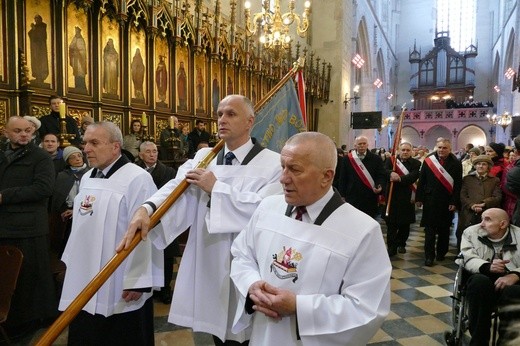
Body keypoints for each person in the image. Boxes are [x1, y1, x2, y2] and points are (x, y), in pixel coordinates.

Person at [119, 95, 283, 345]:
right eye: (219, 114)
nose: (222, 120)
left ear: (250, 121)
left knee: (249, 331)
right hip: (209, 255)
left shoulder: (272, 163)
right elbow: (176, 187)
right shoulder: (204, 157)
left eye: (231, 114)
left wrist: (216, 189)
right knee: (218, 328)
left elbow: (266, 210)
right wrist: (147, 208)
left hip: (249, 260)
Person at [229, 132, 391, 344]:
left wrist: (299, 307)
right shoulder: (267, 207)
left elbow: (367, 309)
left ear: (326, 176)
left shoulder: (363, 230)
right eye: (282, 166)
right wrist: (251, 285)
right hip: (263, 336)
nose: (283, 178)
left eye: (295, 169)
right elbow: (242, 254)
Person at [59, 122, 162, 345]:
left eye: (94, 142)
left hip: (119, 275)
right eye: (85, 142)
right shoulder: (88, 177)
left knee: (121, 333)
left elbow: (146, 232)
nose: (86, 148)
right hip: (86, 273)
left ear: (115, 147)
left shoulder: (137, 178)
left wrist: (138, 279)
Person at [0, 116, 57, 338]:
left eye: (27, 131)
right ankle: (9, 319)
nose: (23, 134)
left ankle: (27, 323)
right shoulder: (2, 154)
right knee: (6, 277)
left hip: (29, 227)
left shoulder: (40, 157)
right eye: (17, 131)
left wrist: (5, 196)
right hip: (5, 225)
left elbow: (43, 188)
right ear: (6, 133)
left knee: (28, 278)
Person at [460, 208, 520, 345]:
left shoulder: (519, 235)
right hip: (481, 279)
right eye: (482, 218)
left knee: (515, 291)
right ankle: (479, 341)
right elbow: (466, 257)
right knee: (479, 283)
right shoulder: (471, 232)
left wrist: (516, 274)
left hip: (510, 282)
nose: (481, 223)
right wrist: (487, 266)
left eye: (487, 220)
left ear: (503, 224)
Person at [136, 141, 178, 304]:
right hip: (142, 218)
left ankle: (165, 288)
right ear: (141, 155)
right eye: (148, 152)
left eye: (155, 151)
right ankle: (147, 286)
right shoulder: (135, 172)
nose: (152, 154)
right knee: (145, 255)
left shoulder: (168, 171)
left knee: (165, 256)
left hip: (162, 220)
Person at [416, 138, 462, 266]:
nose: (441, 150)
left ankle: (441, 253)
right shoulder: (429, 161)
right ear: (436, 147)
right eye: (439, 147)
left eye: (444, 148)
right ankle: (429, 256)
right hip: (430, 200)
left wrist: (454, 201)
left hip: (447, 201)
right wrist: (419, 198)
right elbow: (422, 180)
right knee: (429, 230)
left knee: (444, 229)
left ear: (450, 149)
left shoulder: (456, 163)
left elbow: (458, 184)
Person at [50, 145, 89, 256]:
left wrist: (77, 210)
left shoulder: (91, 173)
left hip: (85, 211)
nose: (77, 159)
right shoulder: (63, 176)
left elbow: (91, 197)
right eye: (72, 157)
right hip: (67, 212)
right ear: (67, 161)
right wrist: (63, 210)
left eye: (79, 156)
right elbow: (58, 198)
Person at [457, 155, 502, 249]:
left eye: (484, 164)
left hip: (485, 213)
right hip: (468, 213)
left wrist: (484, 203)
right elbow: (463, 195)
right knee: (464, 235)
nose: (481, 166)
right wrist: (472, 205)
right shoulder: (467, 179)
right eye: (478, 164)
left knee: (482, 238)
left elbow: (497, 197)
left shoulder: (494, 180)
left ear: (488, 167)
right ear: (475, 166)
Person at [384, 142, 421, 256]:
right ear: (399, 150)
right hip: (392, 196)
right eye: (403, 150)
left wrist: (399, 178)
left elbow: (413, 176)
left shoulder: (416, 163)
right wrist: (391, 173)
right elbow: (384, 171)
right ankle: (391, 247)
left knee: (404, 224)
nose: (405, 152)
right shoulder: (391, 161)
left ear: (411, 151)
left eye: (407, 150)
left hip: (407, 197)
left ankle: (401, 243)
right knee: (391, 224)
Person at [338, 135, 386, 218]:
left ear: (367, 145)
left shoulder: (376, 159)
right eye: (359, 144)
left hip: (369, 197)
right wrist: (341, 195)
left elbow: (380, 175)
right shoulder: (347, 159)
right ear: (355, 145)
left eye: (364, 143)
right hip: (352, 196)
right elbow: (343, 178)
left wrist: (380, 185)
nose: (362, 146)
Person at [27, 14, 49, 85]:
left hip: (41, 49)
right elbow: (30, 34)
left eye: (37, 19)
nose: (36, 20)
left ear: (40, 19)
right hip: (35, 49)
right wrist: (33, 29)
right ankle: (37, 76)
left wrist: (34, 29)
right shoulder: (35, 27)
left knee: (41, 62)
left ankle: (41, 77)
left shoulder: (43, 26)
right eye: (35, 19)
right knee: (35, 61)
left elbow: (41, 36)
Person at [68, 26, 87, 91]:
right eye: (75, 31)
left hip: (80, 59)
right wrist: (73, 50)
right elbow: (71, 46)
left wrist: (77, 51)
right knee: (76, 72)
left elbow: (83, 50)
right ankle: (77, 85)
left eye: (77, 31)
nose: (76, 33)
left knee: (81, 72)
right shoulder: (74, 38)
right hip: (76, 59)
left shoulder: (81, 40)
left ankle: (82, 86)